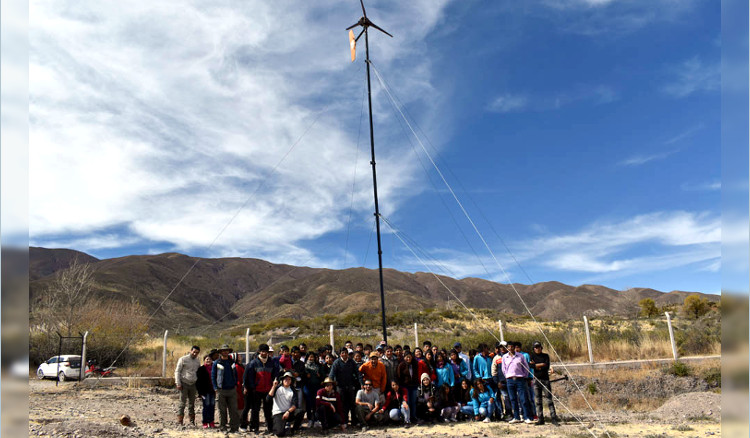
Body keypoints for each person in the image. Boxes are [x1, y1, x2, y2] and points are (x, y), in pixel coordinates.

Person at [243, 343, 279, 434]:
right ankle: (254, 427)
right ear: (259, 351)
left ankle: (270, 427)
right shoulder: (253, 363)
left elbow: (276, 375)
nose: (264, 353)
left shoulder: (272, 363)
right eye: (262, 351)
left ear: (268, 352)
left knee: (268, 410)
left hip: (268, 391)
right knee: (255, 410)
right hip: (256, 390)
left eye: (266, 351)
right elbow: (247, 376)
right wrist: (251, 387)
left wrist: (274, 385)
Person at [502, 342, 533, 424]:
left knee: (523, 399)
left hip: (520, 379)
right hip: (510, 380)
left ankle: (526, 417)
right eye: (509, 347)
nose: (511, 348)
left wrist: (524, 376)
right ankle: (516, 417)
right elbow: (503, 369)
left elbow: (526, 367)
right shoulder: (505, 357)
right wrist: (507, 376)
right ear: (507, 348)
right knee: (513, 399)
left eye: (512, 347)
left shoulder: (520, 356)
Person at [529, 342, 559, 426]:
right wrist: (540, 365)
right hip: (536, 380)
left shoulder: (546, 356)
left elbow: (546, 366)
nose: (537, 349)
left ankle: (554, 418)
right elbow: (530, 366)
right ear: (533, 348)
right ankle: (540, 419)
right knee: (538, 401)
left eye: (538, 347)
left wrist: (536, 365)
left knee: (549, 400)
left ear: (541, 348)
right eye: (535, 347)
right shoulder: (532, 356)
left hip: (545, 380)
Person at [212, 344, 240, 432]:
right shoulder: (216, 363)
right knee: (222, 410)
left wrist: (235, 384)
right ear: (220, 352)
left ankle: (234, 428)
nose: (225, 352)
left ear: (229, 352)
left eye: (226, 350)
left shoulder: (231, 362)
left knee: (233, 410)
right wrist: (215, 387)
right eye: (223, 350)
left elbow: (235, 374)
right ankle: (223, 427)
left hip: (232, 389)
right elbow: (213, 376)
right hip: (221, 390)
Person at [328, 348, 359, 427]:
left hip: (350, 386)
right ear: (340, 354)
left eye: (345, 353)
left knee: (352, 404)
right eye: (342, 353)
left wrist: (361, 383)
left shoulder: (352, 362)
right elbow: (332, 374)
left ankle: (354, 421)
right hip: (340, 387)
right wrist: (330, 384)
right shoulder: (336, 362)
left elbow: (358, 373)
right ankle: (344, 421)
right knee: (342, 404)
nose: (344, 354)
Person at [268, 371, 304, 436]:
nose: (287, 380)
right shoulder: (277, 388)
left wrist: (288, 412)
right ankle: (281, 426)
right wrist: (273, 386)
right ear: (282, 380)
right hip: (278, 413)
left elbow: (294, 405)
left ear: (291, 381)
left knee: (300, 411)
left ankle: (294, 429)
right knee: (279, 433)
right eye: (285, 379)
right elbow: (268, 398)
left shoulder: (293, 390)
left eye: (289, 379)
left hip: (288, 412)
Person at [175, 345, 202, 426]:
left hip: (193, 384)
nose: (195, 354)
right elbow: (177, 371)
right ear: (191, 351)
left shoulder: (197, 361)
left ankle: (192, 421)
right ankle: (180, 421)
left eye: (197, 353)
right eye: (194, 352)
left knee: (192, 403)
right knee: (182, 403)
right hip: (184, 383)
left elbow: (198, 372)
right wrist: (178, 383)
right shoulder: (183, 359)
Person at [491, 341, 512, 420]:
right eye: (501, 347)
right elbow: (494, 371)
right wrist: (497, 382)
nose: (502, 348)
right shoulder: (496, 358)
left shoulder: (510, 356)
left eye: (504, 347)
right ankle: (505, 414)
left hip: (510, 380)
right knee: (505, 397)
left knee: (511, 397)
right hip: (501, 382)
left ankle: (513, 413)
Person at [395, 352, 419, 421]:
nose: (408, 358)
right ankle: (407, 418)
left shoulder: (415, 364)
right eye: (406, 357)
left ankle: (414, 416)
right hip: (405, 386)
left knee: (413, 402)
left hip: (414, 385)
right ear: (404, 357)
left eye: (409, 357)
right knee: (407, 402)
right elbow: (398, 376)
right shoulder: (401, 365)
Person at [303, 351, 324, 427]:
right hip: (307, 387)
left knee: (316, 403)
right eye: (310, 357)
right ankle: (310, 419)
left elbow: (323, 376)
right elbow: (302, 376)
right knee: (309, 403)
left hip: (316, 386)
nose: (311, 358)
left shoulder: (318, 366)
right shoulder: (304, 366)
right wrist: (306, 376)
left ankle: (316, 419)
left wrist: (320, 376)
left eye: (312, 357)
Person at [196, 354, 216, 429]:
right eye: (207, 359)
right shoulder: (201, 369)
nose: (208, 361)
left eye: (210, 359)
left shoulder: (214, 368)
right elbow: (198, 382)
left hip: (212, 391)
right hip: (205, 392)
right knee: (206, 406)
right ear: (204, 360)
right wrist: (200, 393)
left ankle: (211, 421)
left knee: (212, 406)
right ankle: (205, 422)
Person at [517, 342, 536, 420]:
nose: (516, 349)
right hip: (519, 380)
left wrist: (530, 377)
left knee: (530, 398)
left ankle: (533, 414)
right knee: (521, 398)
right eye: (515, 348)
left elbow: (529, 367)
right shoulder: (514, 356)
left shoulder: (525, 355)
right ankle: (523, 414)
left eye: (517, 347)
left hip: (527, 379)